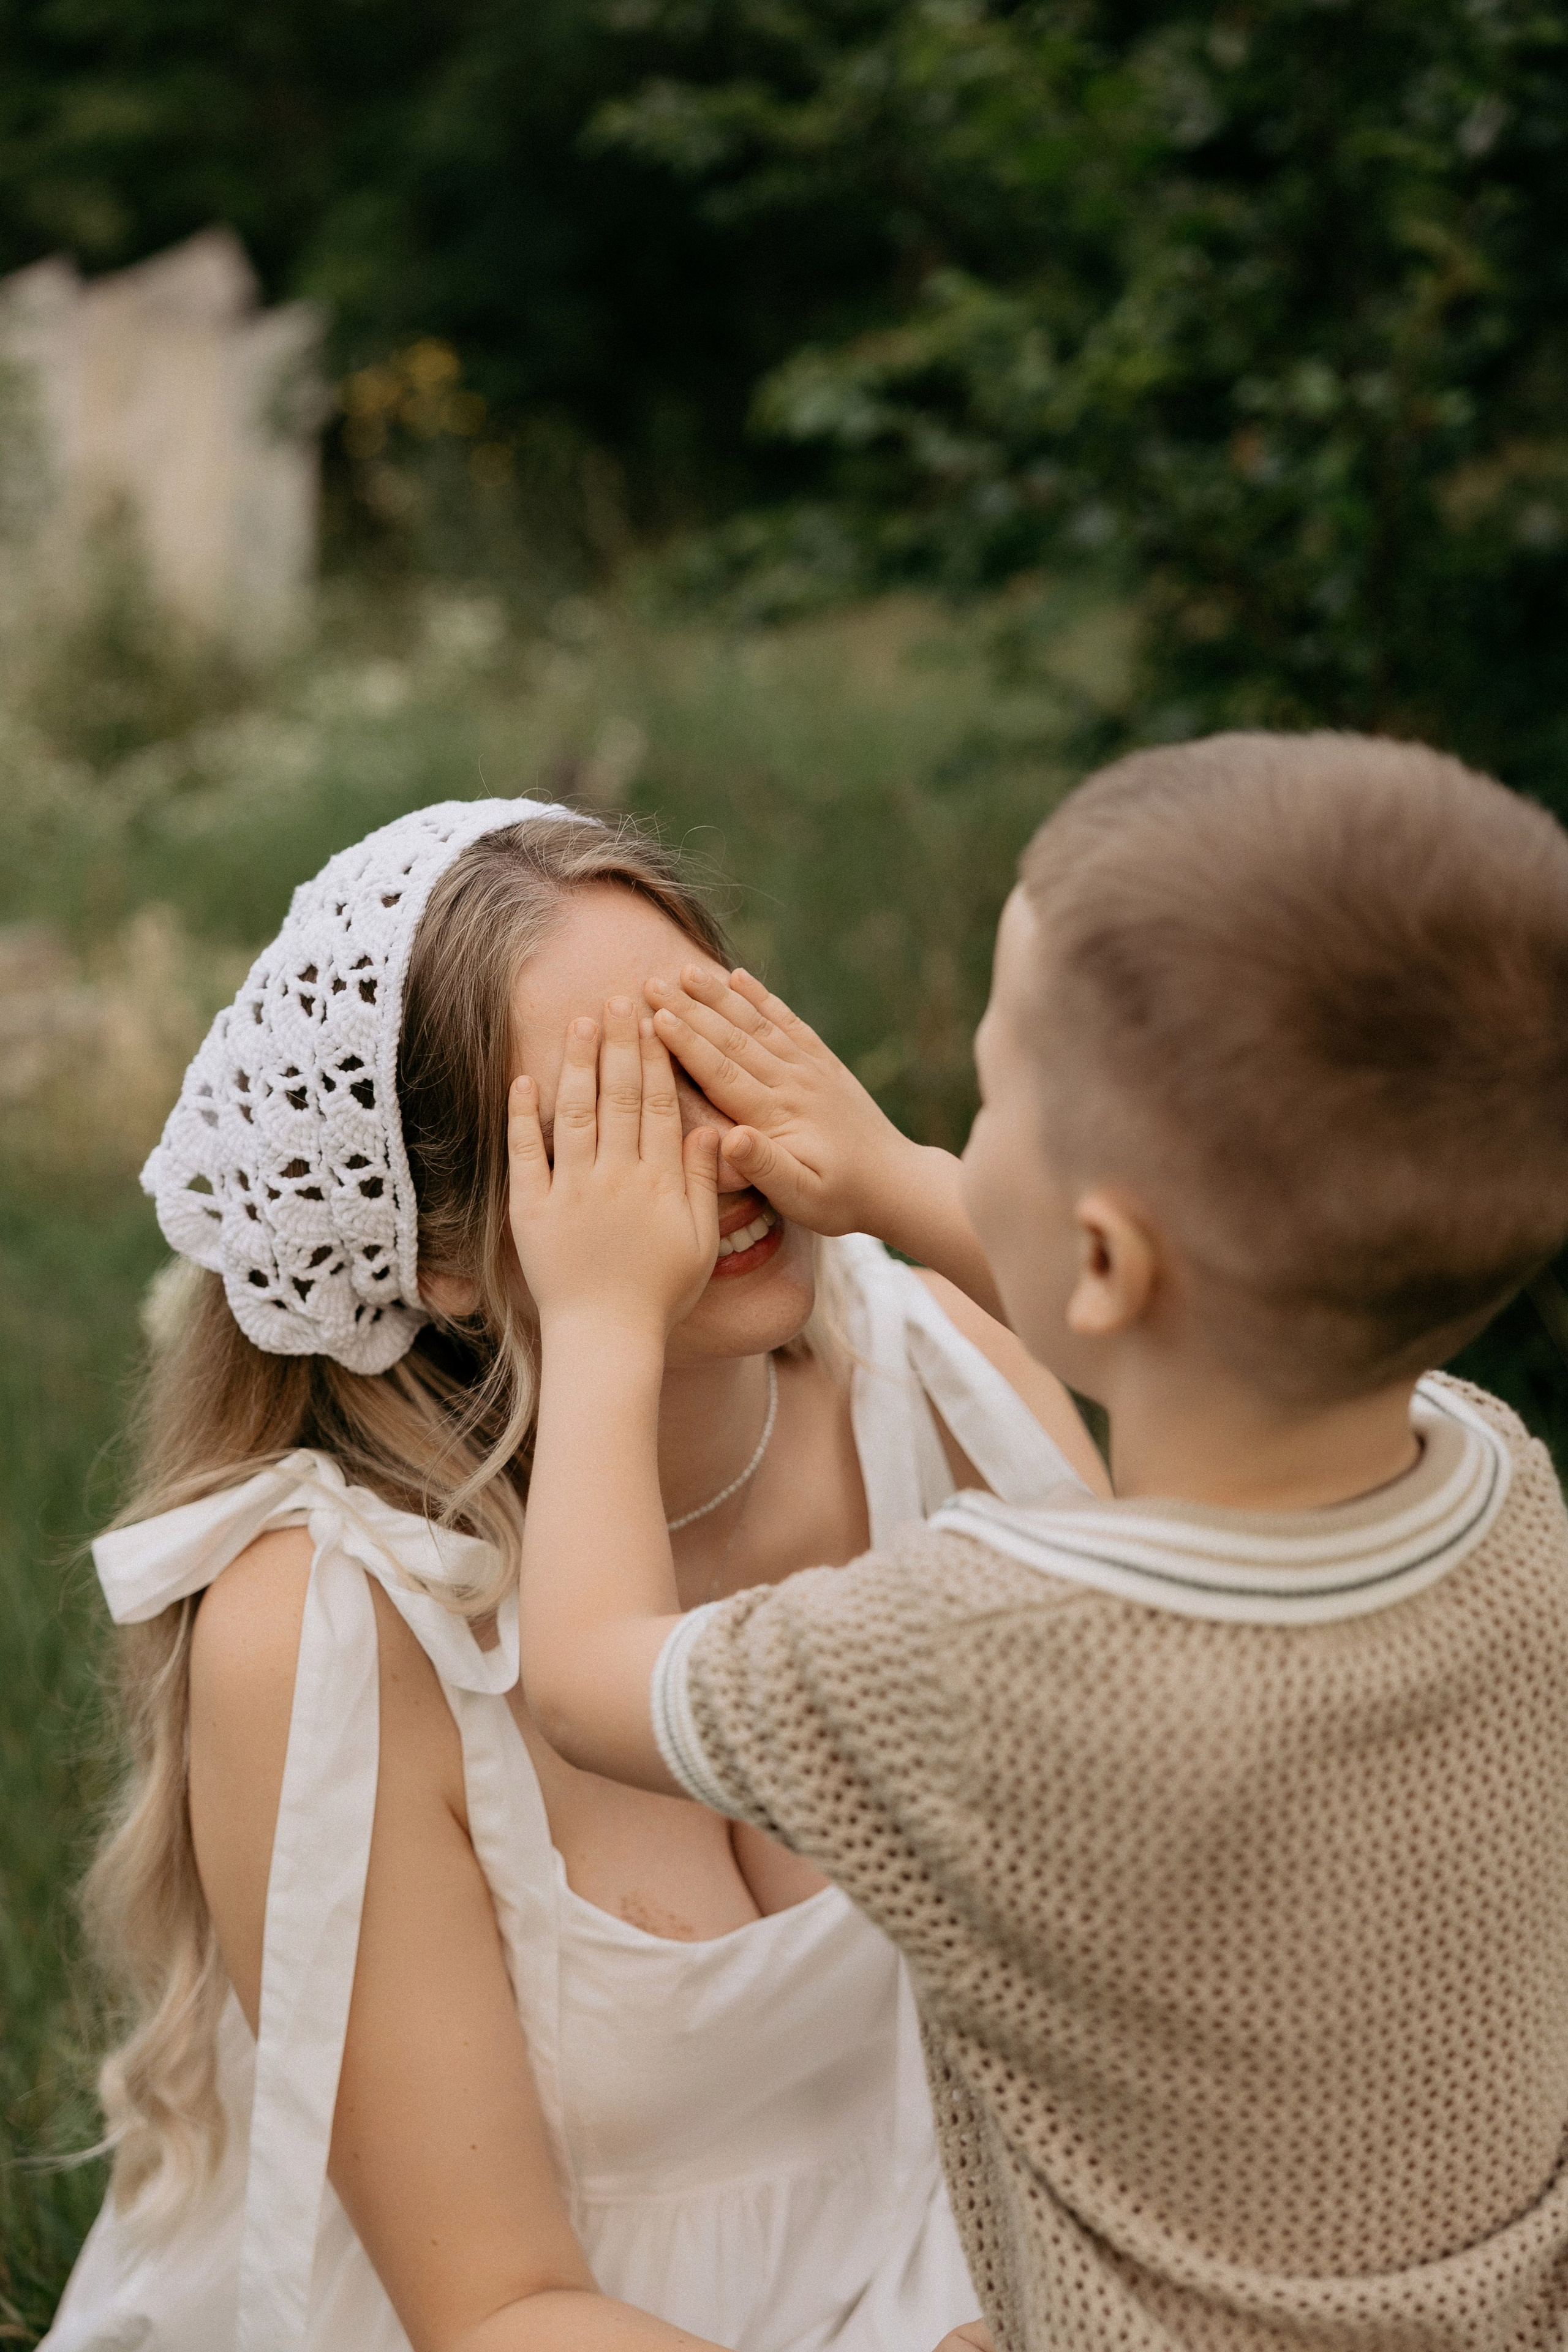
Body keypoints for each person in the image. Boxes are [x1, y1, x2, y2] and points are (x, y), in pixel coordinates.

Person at [503, 733, 1568, 2352]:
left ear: (1099, 1251)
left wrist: (594, 1313)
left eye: (991, 1100)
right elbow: (1204, 1328)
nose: (949, 1134)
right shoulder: (1501, 1483)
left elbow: (584, 1678)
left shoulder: (985, 1659)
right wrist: (906, 1185)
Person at [45, 797, 1106, 2352]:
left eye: (714, 1050)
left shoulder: (937, 1363)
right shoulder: (327, 1624)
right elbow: (493, 2307)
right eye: (601, 1121)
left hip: (1001, 2255)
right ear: (442, 1254)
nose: (727, 1153)